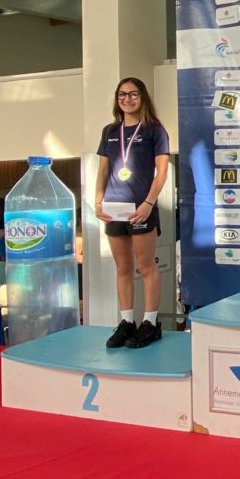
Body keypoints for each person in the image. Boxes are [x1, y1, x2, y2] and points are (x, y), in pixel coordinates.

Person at [95, 78, 170, 348]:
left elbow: (162, 172)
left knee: (146, 266)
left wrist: (149, 203)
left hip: (141, 208)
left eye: (133, 94)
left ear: (143, 97)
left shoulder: (155, 130)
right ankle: (127, 322)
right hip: (115, 210)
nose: (127, 99)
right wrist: (98, 202)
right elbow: (103, 170)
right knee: (123, 267)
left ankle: (150, 323)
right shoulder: (109, 131)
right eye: (122, 94)